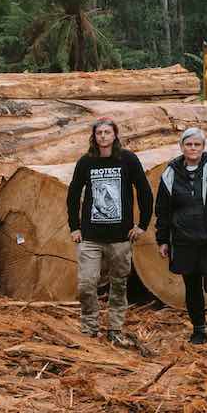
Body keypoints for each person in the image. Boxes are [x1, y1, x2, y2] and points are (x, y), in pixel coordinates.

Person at [65, 116, 153, 344]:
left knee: (118, 284)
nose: (103, 136)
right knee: (86, 284)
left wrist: (142, 224)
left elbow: (144, 191)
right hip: (90, 237)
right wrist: (74, 227)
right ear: (94, 137)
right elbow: (73, 195)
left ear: (115, 135)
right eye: (99, 133)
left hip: (120, 238)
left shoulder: (128, 160)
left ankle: (115, 328)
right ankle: (90, 327)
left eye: (107, 132)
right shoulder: (86, 162)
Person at [155, 127, 207, 352]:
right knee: (191, 287)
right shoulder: (170, 172)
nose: (192, 149)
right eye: (188, 145)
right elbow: (162, 209)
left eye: (197, 145)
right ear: (181, 147)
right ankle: (199, 330)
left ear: (203, 147)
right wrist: (162, 239)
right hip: (183, 240)